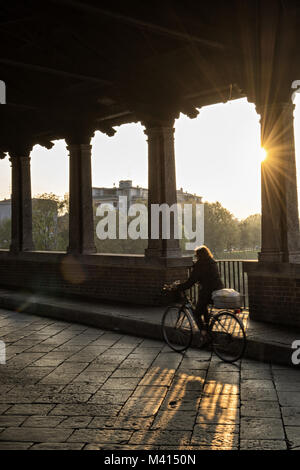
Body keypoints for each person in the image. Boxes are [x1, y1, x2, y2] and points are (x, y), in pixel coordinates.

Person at [175, 245, 224, 329]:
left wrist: (179, 287)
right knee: (204, 308)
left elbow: (191, 281)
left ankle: (204, 334)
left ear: (199, 255)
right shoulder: (212, 261)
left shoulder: (200, 264)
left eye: (196, 255)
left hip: (207, 291)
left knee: (196, 314)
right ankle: (208, 330)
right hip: (217, 290)